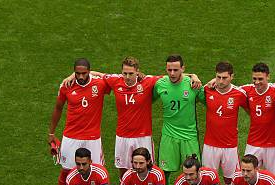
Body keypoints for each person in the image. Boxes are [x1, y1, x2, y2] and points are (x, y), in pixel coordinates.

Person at [61, 57, 201, 178]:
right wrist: (72, 76)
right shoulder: (115, 80)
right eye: (125, 73)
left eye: (131, 73)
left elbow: (173, 75)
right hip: (122, 136)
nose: (127, 77)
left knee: (148, 170)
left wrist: (193, 76)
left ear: (137, 71)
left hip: (143, 136)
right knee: (123, 172)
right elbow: (95, 74)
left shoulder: (148, 81)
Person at [47, 58, 111, 185]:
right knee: (66, 171)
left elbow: (112, 78)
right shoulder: (66, 85)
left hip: (93, 138)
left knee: (98, 172)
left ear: (89, 71)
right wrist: (51, 133)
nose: (81, 77)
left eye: (84, 73)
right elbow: (58, 108)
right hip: (71, 136)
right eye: (77, 73)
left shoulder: (100, 83)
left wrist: (91, 74)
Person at [198, 61, 248, 185]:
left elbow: (252, 109)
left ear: (231, 77)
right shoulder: (207, 89)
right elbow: (190, 81)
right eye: (218, 77)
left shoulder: (239, 94)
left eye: (224, 78)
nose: (220, 81)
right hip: (210, 145)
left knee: (230, 180)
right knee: (207, 179)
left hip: (229, 146)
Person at [154, 55, 204, 185]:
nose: (172, 73)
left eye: (176, 70)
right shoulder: (160, 83)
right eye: (169, 70)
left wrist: (194, 76)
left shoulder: (193, 84)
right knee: (164, 172)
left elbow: (210, 101)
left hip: (189, 136)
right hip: (169, 135)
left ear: (183, 68)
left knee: (194, 172)